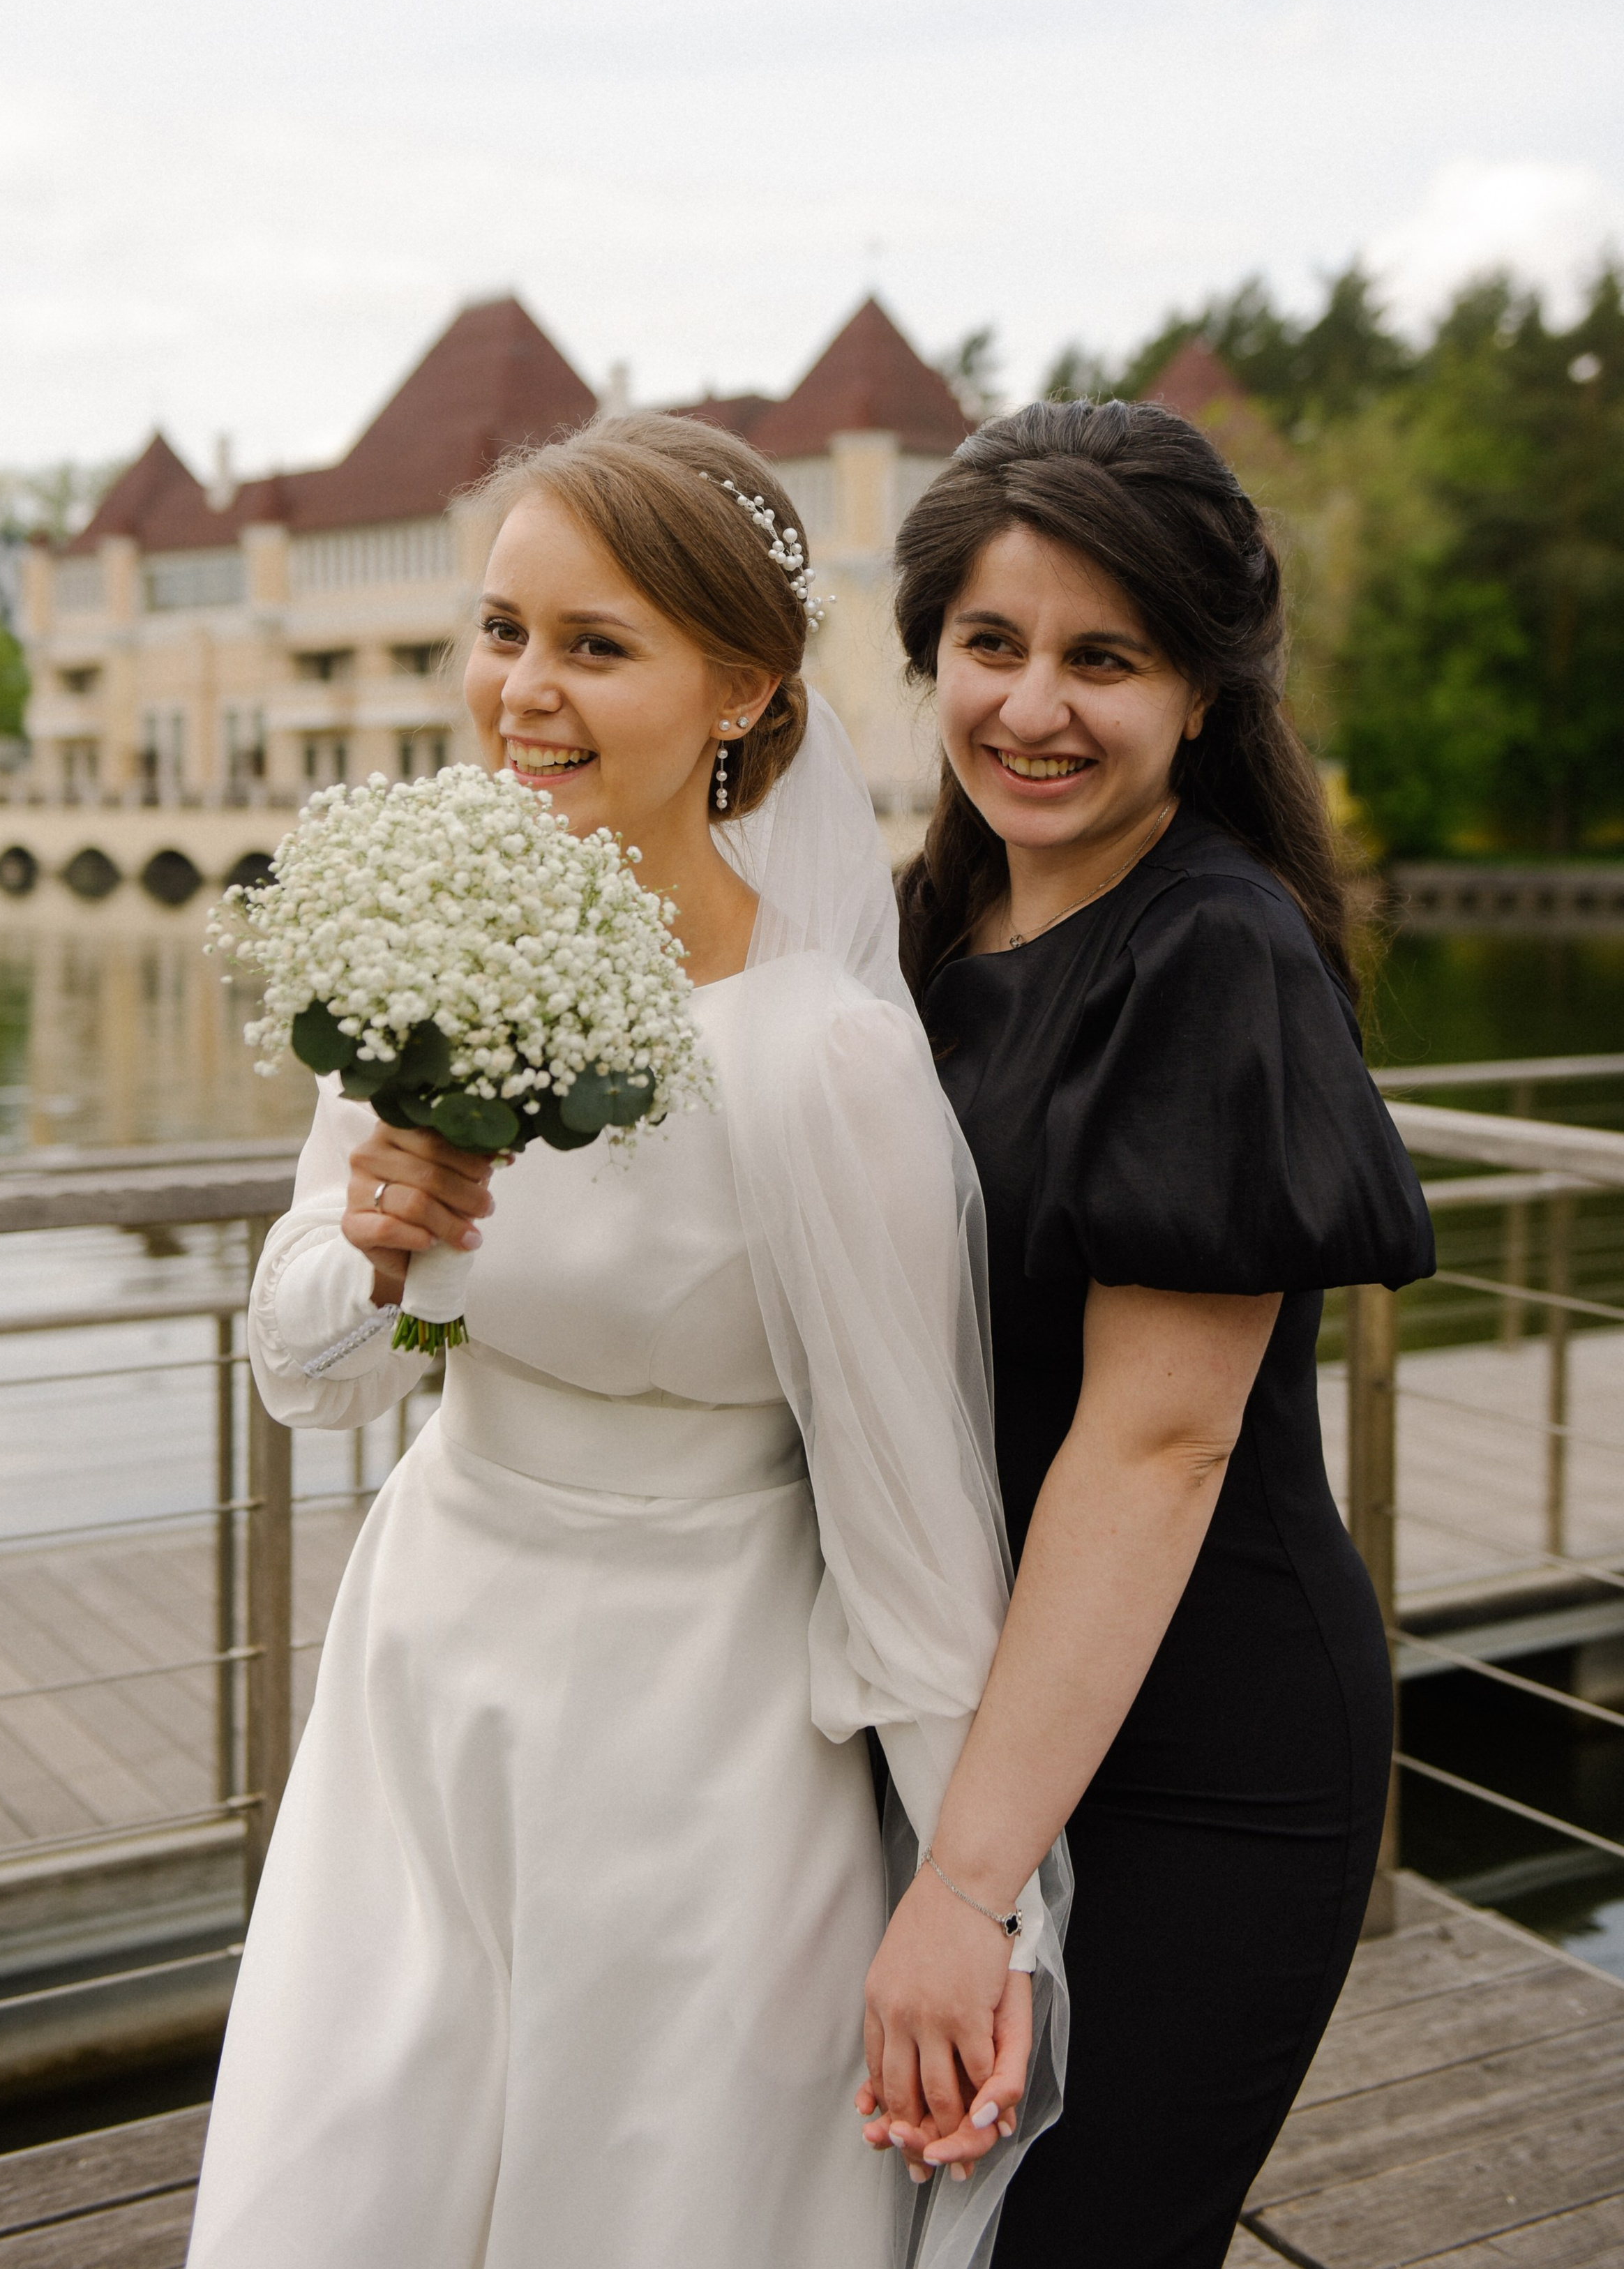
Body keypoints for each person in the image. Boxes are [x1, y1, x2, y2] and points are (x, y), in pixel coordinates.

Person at [186, 413, 1067, 2269]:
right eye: (504, 629)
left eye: (596, 644)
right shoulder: (433, 954)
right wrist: (381, 1242)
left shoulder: (821, 1055)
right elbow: (307, 1369)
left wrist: (976, 1902)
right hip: (431, 1665)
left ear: (742, 686)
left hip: (703, 1723)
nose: (525, 690)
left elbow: (912, 1524)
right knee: (346, 2179)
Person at [858, 400, 1434, 2268]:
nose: (1033, 706)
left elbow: (1158, 1444)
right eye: (992, 643)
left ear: (1201, 692)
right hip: (980, 1707)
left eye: (1104, 659)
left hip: (1204, 1750)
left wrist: (967, 1887)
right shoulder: (927, 924)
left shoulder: (1214, 951)